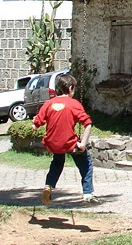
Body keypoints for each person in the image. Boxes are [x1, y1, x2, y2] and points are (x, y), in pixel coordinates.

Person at [32, 72, 99, 205]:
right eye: (74, 88)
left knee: (57, 162)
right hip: (69, 143)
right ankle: (88, 194)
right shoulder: (73, 104)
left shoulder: (48, 104)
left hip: (53, 144)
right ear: (70, 88)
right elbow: (88, 124)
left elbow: (36, 124)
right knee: (86, 162)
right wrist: (83, 144)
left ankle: (48, 186)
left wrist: (34, 124)